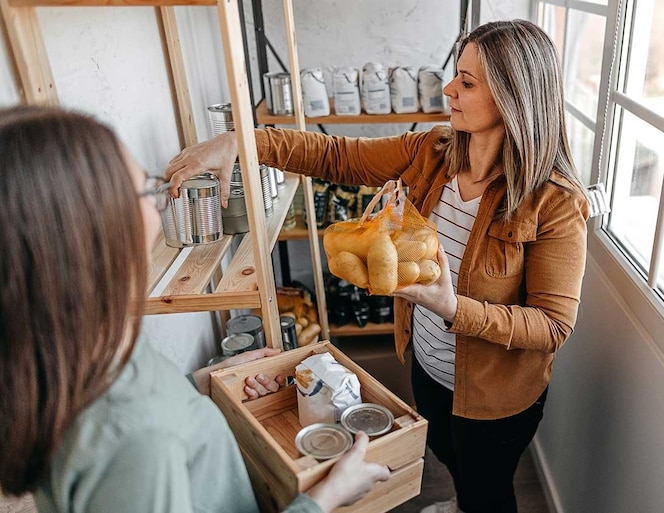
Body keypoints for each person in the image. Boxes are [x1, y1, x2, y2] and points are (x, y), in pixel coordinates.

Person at [166, 19, 589, 513]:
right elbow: (337, 155)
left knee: (488, 489)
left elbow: (553, 325)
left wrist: (454, 308)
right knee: (449, 457)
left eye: (467, 83)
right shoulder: (431, 152)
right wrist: (244, 142)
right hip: (428, 365)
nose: (449, 89)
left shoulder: (556, 203)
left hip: (497, 398)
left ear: (514, 99)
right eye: (456, 74)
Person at [0, 106, 390, 513]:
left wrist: (198, 386)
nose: (161, 206)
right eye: (149, 192)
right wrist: (323, 498)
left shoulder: (75, 343)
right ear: (93, 232)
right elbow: (129, 433)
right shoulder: (138, 442)